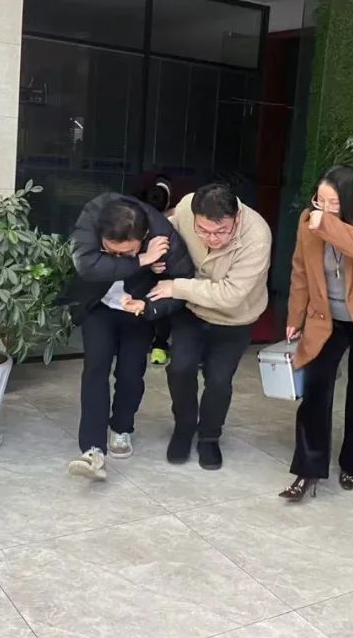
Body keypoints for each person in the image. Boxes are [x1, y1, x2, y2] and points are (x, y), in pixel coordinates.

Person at [279, 165, 353, 501]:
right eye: (320, 201)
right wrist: (295, 315)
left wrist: (329, 224)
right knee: (315, 392)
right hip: (326, 318)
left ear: (349, 201)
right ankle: (307, 470)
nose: (324, 208)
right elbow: (300, 270)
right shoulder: (308, 220)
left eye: (333, 203)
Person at [64, 193, 194, 481]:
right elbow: (86, 264)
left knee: (130, 373)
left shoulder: (163, 233)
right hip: (99, 305)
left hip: (138, 308)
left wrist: (149, 307)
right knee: (95, 370)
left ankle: (122, 427)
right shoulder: (95, 212)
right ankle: (93, 449)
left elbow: (182, 285)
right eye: (110, 251)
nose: (117, 258)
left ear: (144, 236)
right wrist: (142, 260)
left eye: (126, 252)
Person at [148, 182, 272, 470]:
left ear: (236, 219)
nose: (212, 239)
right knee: (180, 369)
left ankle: (209, 437)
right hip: (191, 310)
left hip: (234, 317)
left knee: (218, 380)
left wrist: (176, 287)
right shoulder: (185, 207)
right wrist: (155, 257)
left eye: (221, 232)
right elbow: (165, 233)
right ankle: (184, 426)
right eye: (203, 231)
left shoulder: (257, 236)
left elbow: (231, 295)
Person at [139, 176, 175, 366]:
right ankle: (158, 346)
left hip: (156, 273)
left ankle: (157, 345)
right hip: (154, 273)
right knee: (159, 309)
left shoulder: (140, 219)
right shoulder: (172, 219)